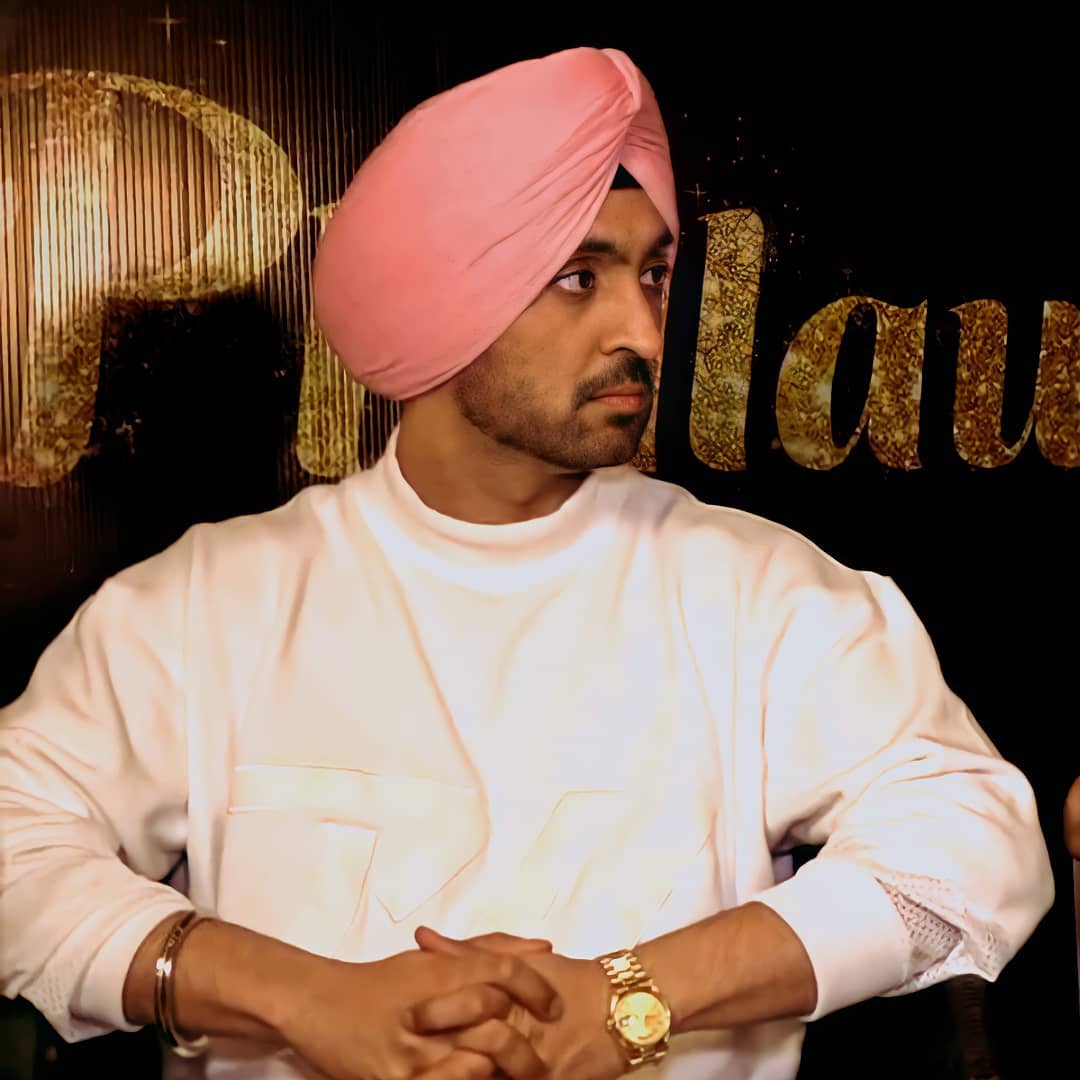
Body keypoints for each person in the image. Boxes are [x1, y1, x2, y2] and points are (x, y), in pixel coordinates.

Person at [0, 46, 1053, 1080]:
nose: (645, 332)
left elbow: (974, 849)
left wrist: (630, 999)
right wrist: (301, 997)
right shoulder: (206, 604)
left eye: (652, 274)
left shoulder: (761, 594)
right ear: (438, 296)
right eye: (577, 278)